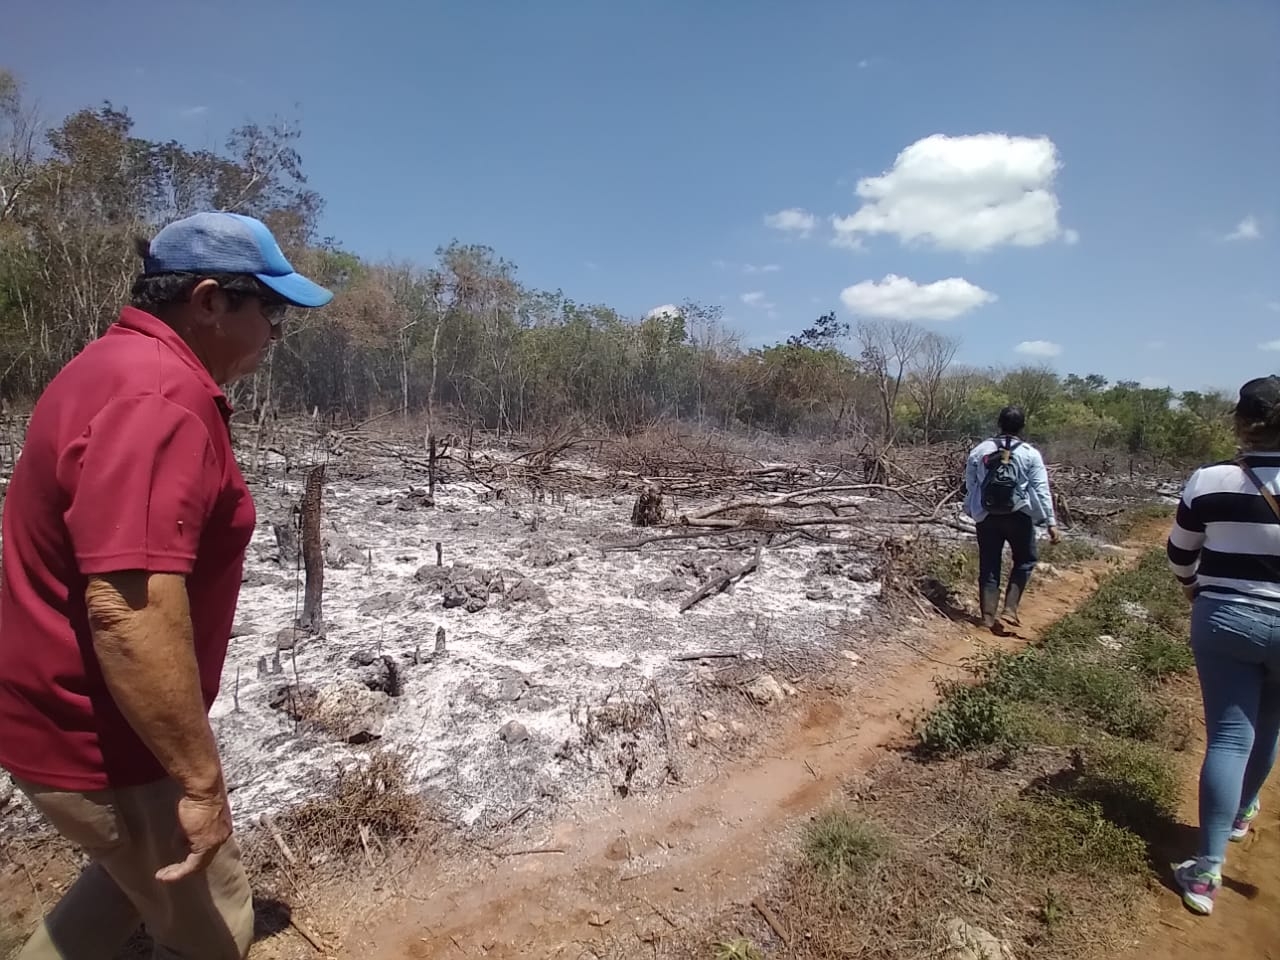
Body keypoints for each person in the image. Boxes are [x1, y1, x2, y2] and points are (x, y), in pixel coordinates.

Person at [0, 212, 332, 958]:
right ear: (210, 301)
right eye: (270, 309)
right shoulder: (159, 398)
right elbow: (129, 609)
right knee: (217, 934)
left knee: (130, 885)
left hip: (64, 713)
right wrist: (198, 781)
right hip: (101, 736)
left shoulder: (116, 369)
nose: (277, 332)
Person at [1167, 375, 1280, 916]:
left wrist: (1195, 590)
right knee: (1272, 724)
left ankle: (1206, 871)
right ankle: (1240, 818)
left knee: (1230, 738)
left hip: (1227, 619)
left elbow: (1180, 552)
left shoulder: (1210, 479)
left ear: (1242, 419)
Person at [963, 405, 1060, 630]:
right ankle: (1010, 608)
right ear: (1022, 427)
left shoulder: (980, 450)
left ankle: (987, 617)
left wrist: (971, 509)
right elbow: (1041, 489)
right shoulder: (1030, 453)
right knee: (1025, 560)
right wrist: (1050, 523)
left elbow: (970, 484)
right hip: (1019, 515)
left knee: (989, 563)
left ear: (999, 423)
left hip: (986, 516)